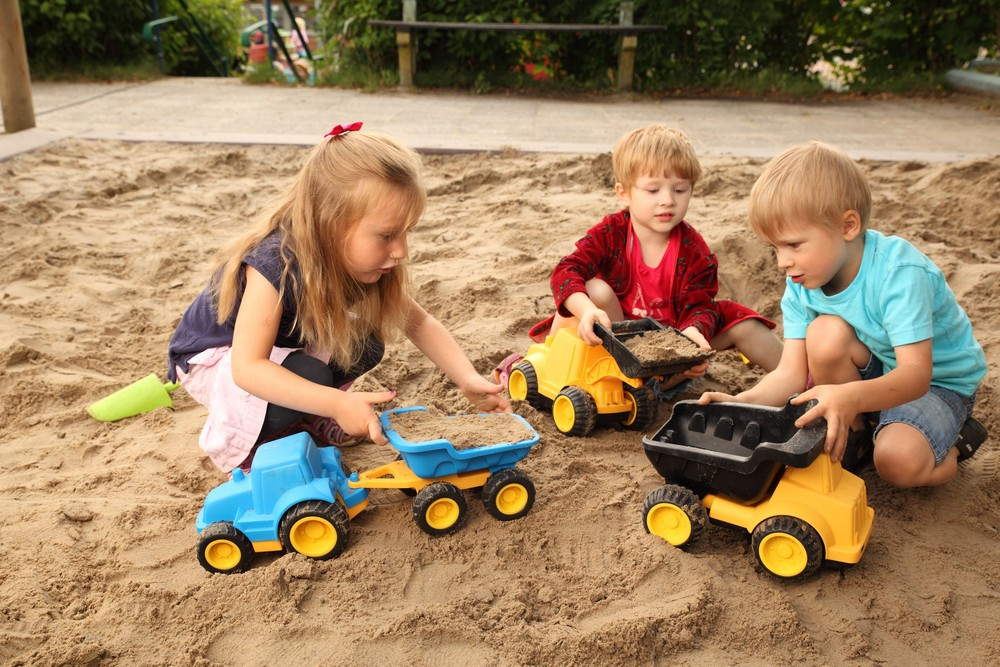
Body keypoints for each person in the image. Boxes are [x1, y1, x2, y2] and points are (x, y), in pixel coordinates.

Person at [167, 122, 509, 474]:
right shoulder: (274, 266)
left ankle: (307, 415)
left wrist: (466, 378)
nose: (401, 251)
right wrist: (336, 403)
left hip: (283, 347)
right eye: (387, 235)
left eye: (406, 233)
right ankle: (260, 444)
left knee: (366, 342)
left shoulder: (364, 263)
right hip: (216, 358)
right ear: (331, 224)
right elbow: (249, 369)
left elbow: (418, 322)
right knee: (309, 374)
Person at [698, 141, 988, 487]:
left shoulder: (899, 273)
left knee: (897, 463)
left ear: (848, 226)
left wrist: (848, 396)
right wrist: (740, 403)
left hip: (937, 384)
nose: (782, 261)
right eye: (774, 248)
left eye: (793, 245)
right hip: (879, 366)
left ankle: (954, 444)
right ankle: (860, 433)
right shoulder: (802, 282)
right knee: (824, 335)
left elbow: (916, 376)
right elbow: (791, 372)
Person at [515, 124, 783, 392]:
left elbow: (700, 306)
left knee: (742, 321)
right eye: (653, 190)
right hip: (613, 347)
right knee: (594, 289)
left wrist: (693, 333)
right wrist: (587, 310)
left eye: (679, 190)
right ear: (624, 192)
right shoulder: (611, 233)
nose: (667, 200)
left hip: (666, 360)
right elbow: (566, 270)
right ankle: (551, 365)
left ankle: (798, 378)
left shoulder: (696, 251)